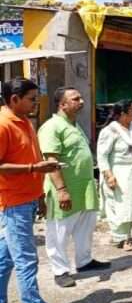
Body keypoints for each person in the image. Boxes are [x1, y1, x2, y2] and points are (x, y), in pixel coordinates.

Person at [0, 78, 73, 303]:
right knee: (25, 260)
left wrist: (40, 194)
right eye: (31, 98)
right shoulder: (3, 124)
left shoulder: (26, 122)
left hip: (28, 198)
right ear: (14, 99)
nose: (35, 102)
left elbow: (32, 156)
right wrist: (34, 169)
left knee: (6, 258)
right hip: (13, 201)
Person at [38, 87, 110, 288]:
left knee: (84, 227)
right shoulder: (52, 127)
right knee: (59, 232)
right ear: (62, 104)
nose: (82, 101)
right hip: (65, 188)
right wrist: (61, 190)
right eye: (76, 99)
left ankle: (84, 261)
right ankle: (60, 270)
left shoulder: (74, 125)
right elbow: (51, 160)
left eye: (80, 97)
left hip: (84, 187)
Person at [96, 100, 132, 252]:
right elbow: (102, 156)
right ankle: (122, 238)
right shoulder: (110, 131)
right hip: (119, 174)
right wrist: (108, 175)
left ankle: (127, 234)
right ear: (122, 114)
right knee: (119, 205)